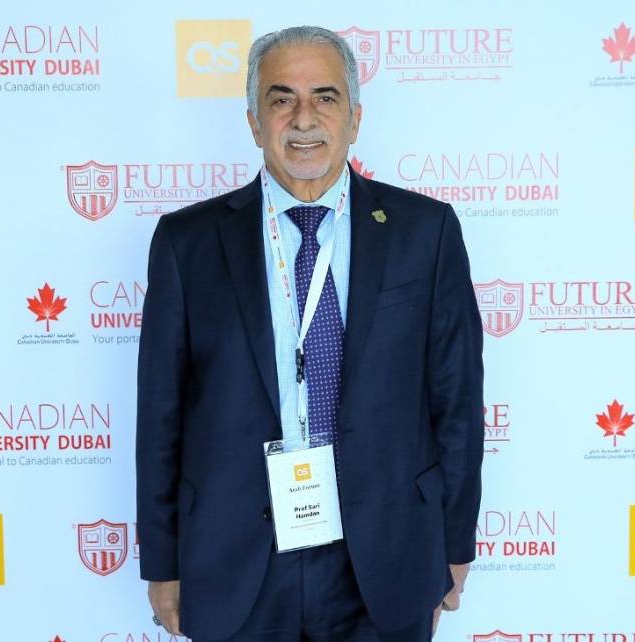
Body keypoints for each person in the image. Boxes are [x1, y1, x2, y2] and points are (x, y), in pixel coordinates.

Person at [136, 25, 484, 642]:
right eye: (281, 99)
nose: (303, 119)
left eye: (325, 97)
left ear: (355, 118)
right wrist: (162, 562)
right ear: (253, 121)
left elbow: (456, 404)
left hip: (386, 556)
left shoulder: (424, 232)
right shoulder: (186, 244)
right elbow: (160, 416)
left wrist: (454, 546)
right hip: (236, 560)